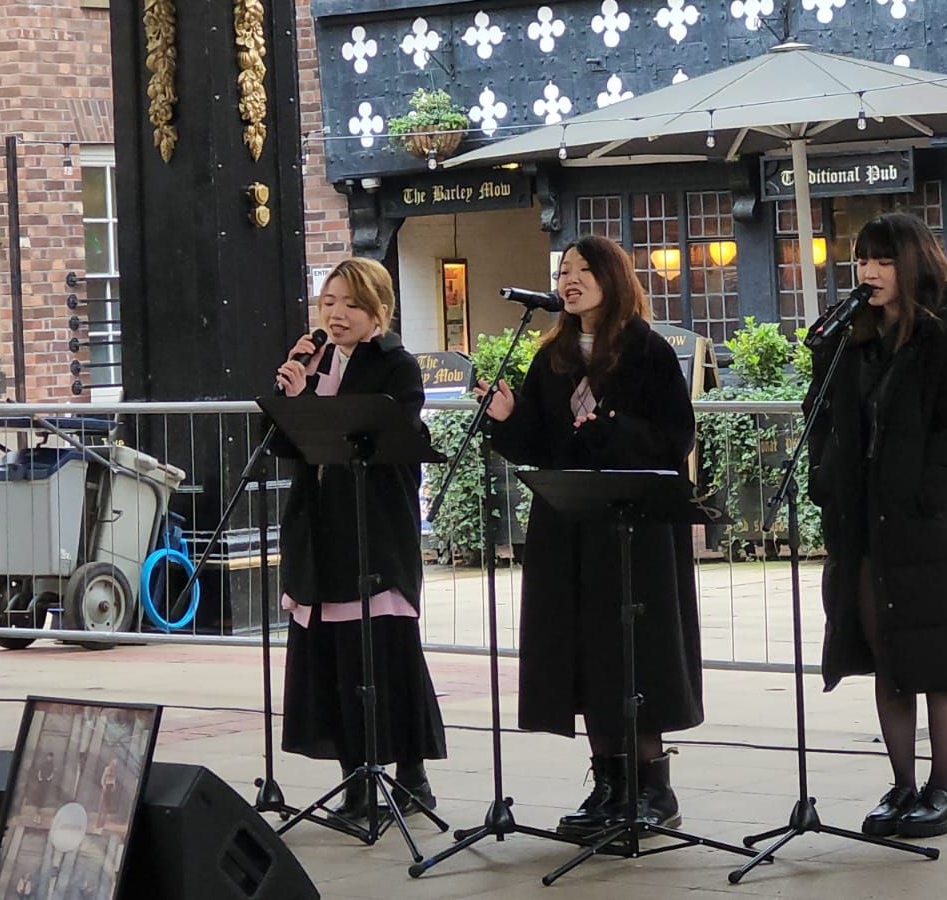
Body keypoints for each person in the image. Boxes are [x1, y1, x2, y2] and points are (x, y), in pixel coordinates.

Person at [475, 235, 701, 836]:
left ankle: (652, 788)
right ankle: (607, 784)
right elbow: (539, 443)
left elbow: (677, 435)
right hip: (569, 524)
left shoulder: (646, 351)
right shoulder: (551, 354)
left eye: (582, 269)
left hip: (632, 530)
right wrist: (508, 418)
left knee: (633, 652)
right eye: (564, 270)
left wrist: (615, 429)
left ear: (611, 277)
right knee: (583, 652)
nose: (569, 279)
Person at [804, 213, 947, 839]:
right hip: (866, 527)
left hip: (927, 529)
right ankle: (903, 784)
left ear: (912, 264)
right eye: (861, 260)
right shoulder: (851, 340)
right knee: (886, 650)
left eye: (882, 261)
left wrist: (926, 492)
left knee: (938, 657)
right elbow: (823, 417)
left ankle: (944, 787)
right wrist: (826, 479)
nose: (868, 273)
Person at [274, 257, 446, 819]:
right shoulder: (314, 359)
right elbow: (281, 441)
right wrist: (293, 392)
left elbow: (392, 434)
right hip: (319, 531)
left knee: (382, 656)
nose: (337, 314)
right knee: (333, 659)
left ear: (378, 312)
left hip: (373, 531)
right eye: (329, 303)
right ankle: (355, 782)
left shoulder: (395, 365)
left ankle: (411, 776)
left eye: (351, 304)